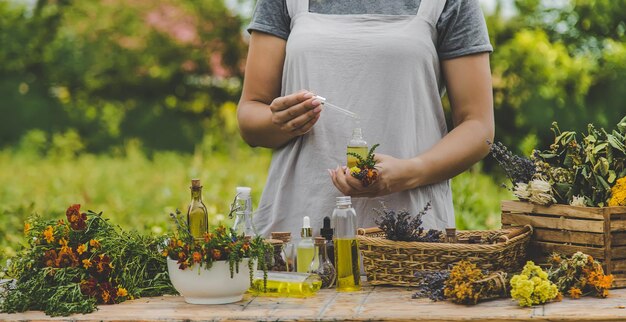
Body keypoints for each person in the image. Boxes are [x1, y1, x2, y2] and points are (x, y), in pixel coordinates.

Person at [237, 0, 495, 236]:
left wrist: (409, 172)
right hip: (298, 233)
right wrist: (282, 121)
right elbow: (251, 115)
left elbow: (478, 127)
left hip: (409, 240)